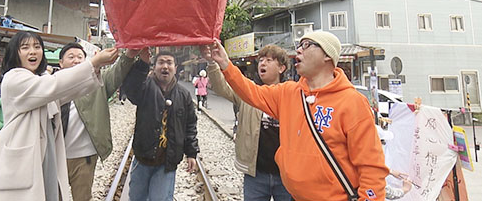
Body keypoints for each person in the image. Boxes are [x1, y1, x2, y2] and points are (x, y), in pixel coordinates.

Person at [204, 31, 389, 201]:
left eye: (307, 45)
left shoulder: (352, 102)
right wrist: (225, 64)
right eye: (299, 45)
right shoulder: (289, 92)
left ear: (327, 55)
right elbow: (251, 92)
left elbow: (372, 166)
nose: (298, 50)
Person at [0, 31, 119, 201]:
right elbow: (54, 85)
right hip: (23, 161)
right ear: (15, 53)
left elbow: (67, 90)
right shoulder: (14, 79)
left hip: (43, 154)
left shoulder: (40, 78)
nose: (33, 51)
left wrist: (96, 67)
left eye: (37, 47)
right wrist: (92, 63)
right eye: (25, 47)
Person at [201, 44, 292, 201]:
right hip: (255, 173)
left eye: (269, 60)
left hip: (287, 175)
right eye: (261, 60)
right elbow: (222, 87)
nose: (262, 63)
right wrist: (211, 63)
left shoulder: (292, 95)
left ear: (281, 68)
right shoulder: (247, 91)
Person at [57, 42, 137, 201]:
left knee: (83, 197)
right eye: (71, 57)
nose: (76, 60)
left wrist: (129, 54)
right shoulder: (51, 84)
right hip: (55, 156)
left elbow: (117, 71)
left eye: (80, 57)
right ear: (60, 63)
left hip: (84, 156)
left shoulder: (96, 82)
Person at [122, 49, 199, 201]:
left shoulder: (183, 95)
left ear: (176, 68)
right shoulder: (145, 88)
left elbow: (190, 125)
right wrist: (142, 63)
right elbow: (131, 90)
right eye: (161, 62)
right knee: (137, 198)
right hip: (142, 159)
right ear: (154, 67)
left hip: (167, 163)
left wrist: (191, 153)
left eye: (169, 63)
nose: (165, 66)